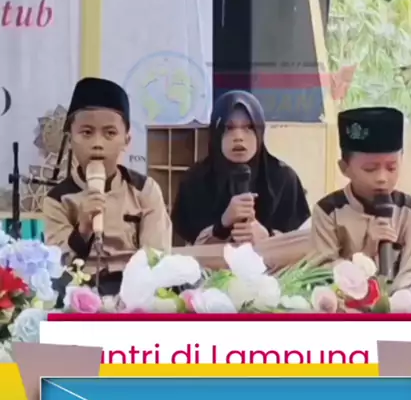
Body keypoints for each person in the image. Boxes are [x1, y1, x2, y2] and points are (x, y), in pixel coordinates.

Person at [43, 77, 171, 294]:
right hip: (78, 295)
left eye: (110, 133)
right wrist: (83, 230)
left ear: (126, 140)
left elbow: (156, 258)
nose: (97, 144)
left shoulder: (145, 190)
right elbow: (58, 269)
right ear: (71, 139)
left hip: (134, 292)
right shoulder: (58, 199)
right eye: (86, 132)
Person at [172, 90, 311, 245]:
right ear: (216, 133)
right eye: (229, 128)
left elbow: (302, 242)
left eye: (248, 127)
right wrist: (221, 226)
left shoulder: (283, 178)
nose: (238, 137)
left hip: (273, 261)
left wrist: (267, 237)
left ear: (259, 131)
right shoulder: (195, 180)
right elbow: (184, 246)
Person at [311, 106, 411, 289]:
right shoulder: (328, 212)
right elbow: (323, 273)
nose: (382, 178)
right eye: (370, 169)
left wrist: (398, 298)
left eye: (391, 168)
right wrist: (365, 252)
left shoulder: (410, 209)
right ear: (344, 168)